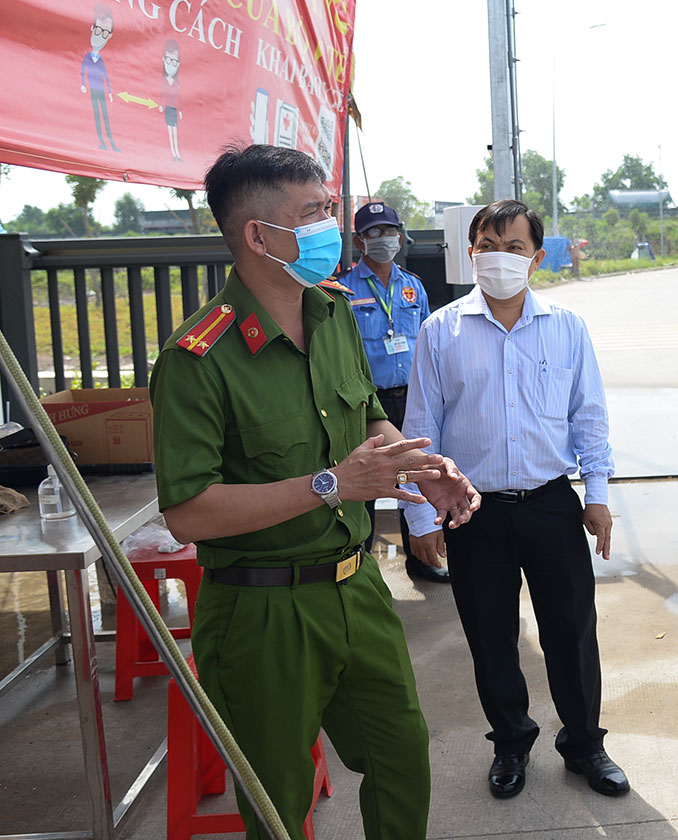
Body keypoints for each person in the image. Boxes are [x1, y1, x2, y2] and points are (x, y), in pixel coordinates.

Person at [150, 143, 480, 840]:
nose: (333, 225)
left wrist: (420, 463)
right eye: (315, 213)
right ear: (260, 236)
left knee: (402, 757)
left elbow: (366, 417)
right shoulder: (197, 358)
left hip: (357, 588)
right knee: (279, 799)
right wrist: (332, 484)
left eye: (330, 208)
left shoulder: (332, 314)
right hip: (261, 613)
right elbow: (186, 512)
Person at [401, 199, 626, 800]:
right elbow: (422, 429)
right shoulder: (440, 331)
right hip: (473, 511)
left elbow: (590, 418)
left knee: (572, 630)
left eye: (515, 247)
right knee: (490, 634)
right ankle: (510, 742)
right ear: (471, 253)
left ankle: (584, 745)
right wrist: (422, 514)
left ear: (537, 257)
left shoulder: (566, 328)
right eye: (489, 245)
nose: (500, 257)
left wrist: (596, 495)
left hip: (552, 503)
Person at [334, 201, 444, 582]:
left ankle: (422, 558)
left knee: (412, 474)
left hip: (411, 397)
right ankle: (360, 568)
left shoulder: (412, 285)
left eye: (389, 231)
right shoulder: (341, 289)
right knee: (363, 483)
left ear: (401, 235)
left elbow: (427, 342)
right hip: (366, 405)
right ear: (360, 242)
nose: (383, 239)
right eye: (373, 233)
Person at [80, 3, 118, 153]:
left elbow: (106, 77)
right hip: (93, 91)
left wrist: (109, 92)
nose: (101, 35)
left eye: (105, 32)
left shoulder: (101, 60)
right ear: (92, 28)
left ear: (109, 36)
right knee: (97, 116)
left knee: (105, 115)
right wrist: (83, 84)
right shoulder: (88, 57)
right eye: (99, 30)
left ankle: (110, 142)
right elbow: (83, 71)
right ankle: (101, 141)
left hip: (101, 91)